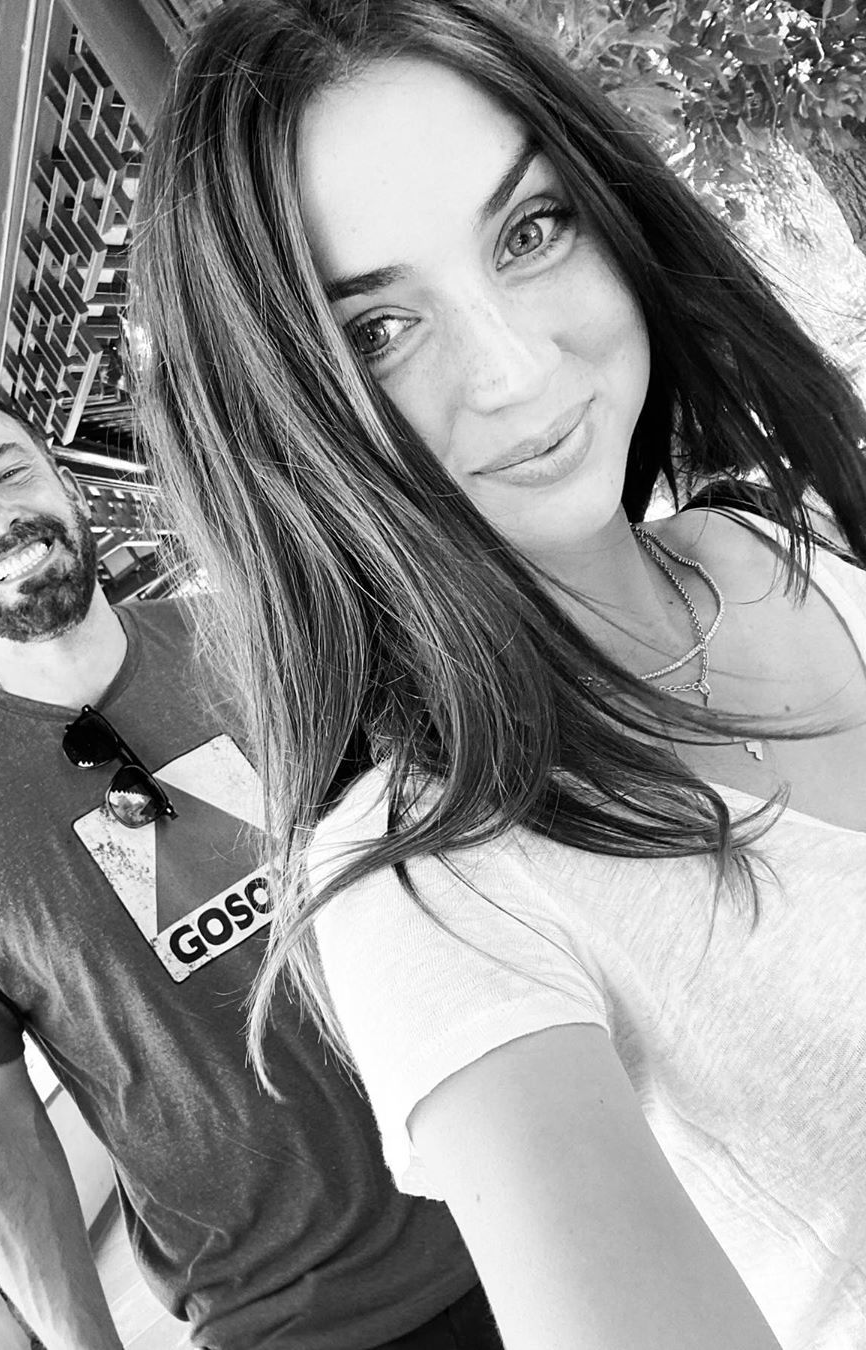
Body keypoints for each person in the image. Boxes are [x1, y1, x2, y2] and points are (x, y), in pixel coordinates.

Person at [130, 2, 866, 1348]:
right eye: (377, 330)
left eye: (530, 232)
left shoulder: (786, 531)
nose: (517, 372)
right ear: (275, 415)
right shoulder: (433, 882)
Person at [0, 382, 503, 1350]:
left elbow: (455, 849)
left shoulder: (261, 633)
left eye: (10, 471)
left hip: (512, 1176)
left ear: (66, 485)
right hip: (285, 1312)